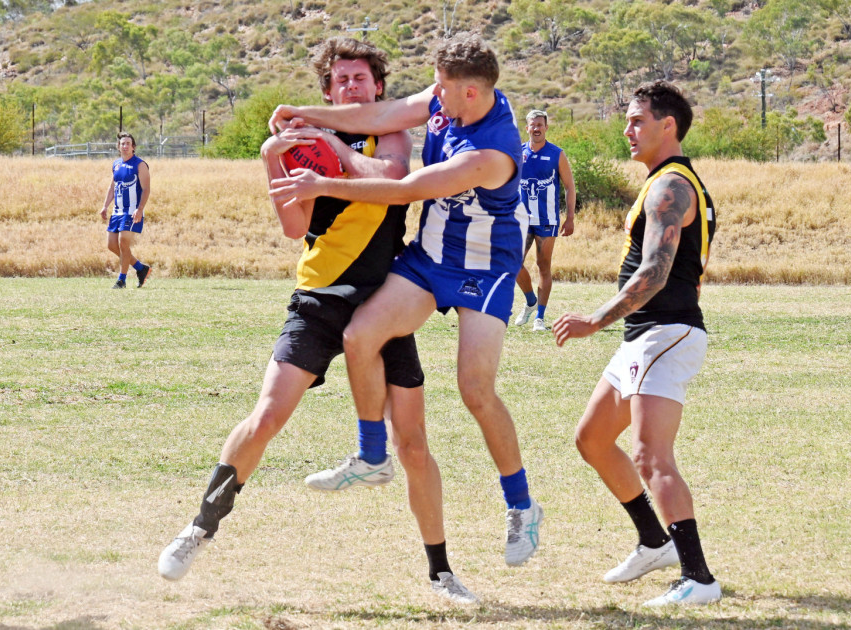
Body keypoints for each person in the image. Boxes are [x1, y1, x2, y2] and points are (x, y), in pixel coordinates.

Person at [158, 37, 478, 604]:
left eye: (360, 78)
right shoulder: (298, 145)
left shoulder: (391, 134)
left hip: (382, 304)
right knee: (265, 417)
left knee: (413, 444)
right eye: (340, 80)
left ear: (378, 87)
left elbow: (393, 178)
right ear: (327, 91)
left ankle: (441, 572)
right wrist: (271, 159)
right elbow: (291, 225)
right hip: (318, 298)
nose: (350, 86)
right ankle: (199, 526)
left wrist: (334, 148)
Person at [267, 35, 544, 579]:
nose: (433, 96)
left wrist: (325, 181)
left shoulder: (489, 154)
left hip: (485, 267)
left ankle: (522, 506)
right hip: (431, 255)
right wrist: (306, 113)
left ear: (470, 91)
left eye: (441, 87)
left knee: (476, 390)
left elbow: (406, 190)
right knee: (359, 336)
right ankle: (373, 456)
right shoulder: (455, 96)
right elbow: (389, 111)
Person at [552, 80, 720, 606]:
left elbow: (652, 272)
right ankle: (654, 541)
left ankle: (699, 577)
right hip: (643, 337)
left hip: (665, 333)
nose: (627, 129)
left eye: (636, 120)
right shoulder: (661, 183)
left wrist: (593, 321)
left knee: (651, 456)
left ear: (667, 126)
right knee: (593, 440)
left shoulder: (672, 186)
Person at [512, 109, 575, 332]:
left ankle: (539, 317)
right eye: (533, 125)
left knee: (543, 267)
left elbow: (569, 186)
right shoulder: (517, 152)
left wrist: (570, 217)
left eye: (540, 124)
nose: (537, 128)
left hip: (547, 219)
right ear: (527, 128)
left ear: (546, 127)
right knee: (512, 262)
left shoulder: (557, 153)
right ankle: (530, 302)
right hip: (520, 219)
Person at [100, 132, 151, 288]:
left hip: (132, 211)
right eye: (123, 143)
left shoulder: (140, 164)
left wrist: (140, 209)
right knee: (111, 245)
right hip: (117, 211)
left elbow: (146, 188)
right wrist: (105, 206)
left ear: (133, 147)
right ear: (119, 147)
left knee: (123, 243)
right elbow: (112, 187)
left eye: (128, 143)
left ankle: (121, 280)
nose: (125, 146)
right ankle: (140, 268)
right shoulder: (116, 164)